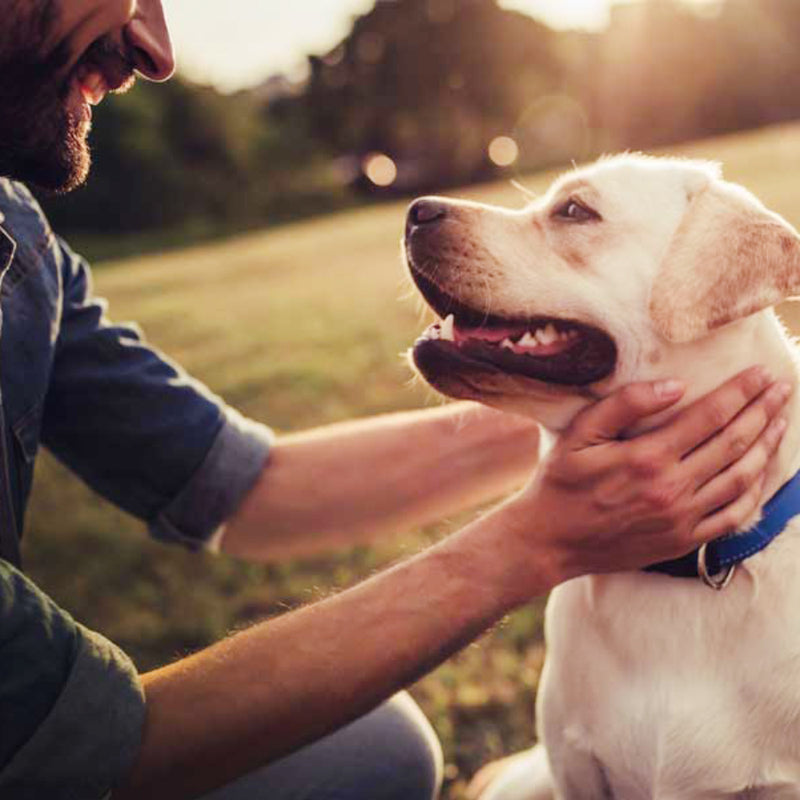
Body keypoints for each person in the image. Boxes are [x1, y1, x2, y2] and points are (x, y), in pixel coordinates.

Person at [0, 2, 789, 800]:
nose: (157, 47)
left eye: (575, 214)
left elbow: (245, 485)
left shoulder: (21, 241)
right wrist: (535, 541)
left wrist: (630, 414)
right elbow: (73, 745)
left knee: (380, 749)